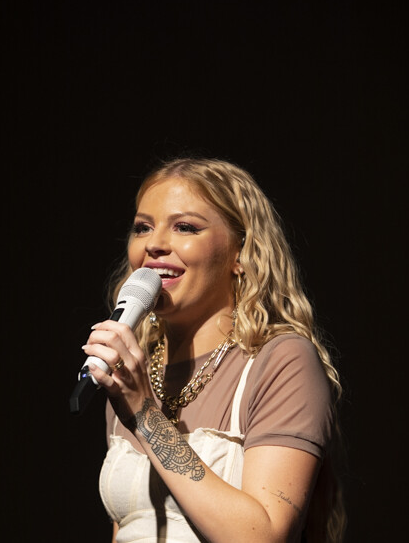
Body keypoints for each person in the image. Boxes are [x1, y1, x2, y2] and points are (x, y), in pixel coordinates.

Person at [82, 155, 346, 542]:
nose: (154, 244)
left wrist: (143, 413)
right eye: (142, 228)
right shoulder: (133, 373)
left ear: (241, 252)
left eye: (185, 227)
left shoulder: (281, 361)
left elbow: (263, 535)